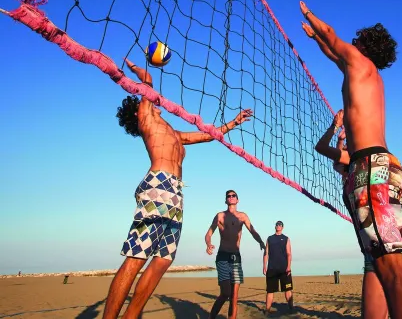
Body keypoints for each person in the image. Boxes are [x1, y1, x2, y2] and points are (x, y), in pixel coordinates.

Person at [301, 1, 402, 319]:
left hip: (371, 170)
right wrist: (317, 39)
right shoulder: (367, 72)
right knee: (399, 265)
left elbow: (332, 37)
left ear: (362, 44)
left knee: (390, 270)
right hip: (388, 169)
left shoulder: (358, 60)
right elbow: (333, 53)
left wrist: (311, 17)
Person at [103, 60, 253, 319]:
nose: (156, 103)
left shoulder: (173, 132)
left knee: (163, 260)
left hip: (175, 194)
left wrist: (233, 123)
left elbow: (207, 135)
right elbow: (147, 84)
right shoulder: (147, 121)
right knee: (137, 256)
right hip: (157, 185)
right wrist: (141, 69)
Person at [315, 109, 388, 319]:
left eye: (348, 144)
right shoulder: (361, 165)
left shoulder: (358, 161)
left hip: (376, 242)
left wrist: (335, 125)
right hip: (377, 240)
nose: (344, 147)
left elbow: (323, 149)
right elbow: (338, 162)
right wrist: (341, 140)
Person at [206, 190, 266, 319]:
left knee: (234, 296)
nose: (231, 197)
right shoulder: (220, 216)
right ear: (226, 200)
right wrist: (208, 243)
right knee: (225, 293)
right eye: (229, 196)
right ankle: (211, 317)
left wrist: (260, 241)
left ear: (237, 200)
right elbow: (209, 232)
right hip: (222, 256)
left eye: (234, 196)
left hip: (236, 257)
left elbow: (252, 230)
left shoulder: (242, 216)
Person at [263, 220, 294, 314]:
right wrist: (264, 266)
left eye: (280, 225)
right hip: (272, 268)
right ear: (275, 226)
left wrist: (288, 266)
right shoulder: (270, 238)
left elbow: (289, 254)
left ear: (282, 227)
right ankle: (267, 310)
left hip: (284, 268)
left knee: (288, 290)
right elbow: (266, 253)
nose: (278, 226)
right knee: (270, 291)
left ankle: (291, 309)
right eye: (277, 225)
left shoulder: (286, 239)